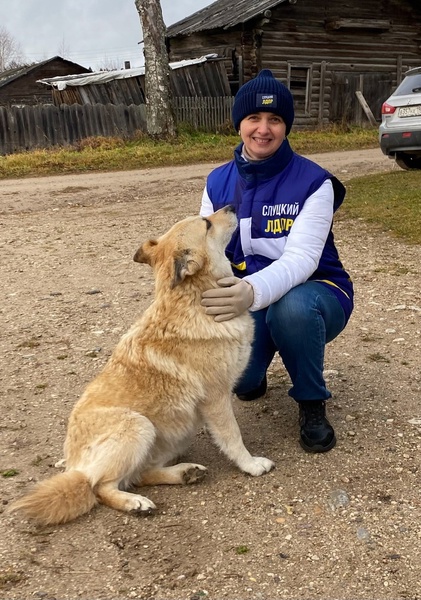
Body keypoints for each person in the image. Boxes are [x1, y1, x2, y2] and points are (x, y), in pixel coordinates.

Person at [200, 69, 354, 453]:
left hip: (316, 292)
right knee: (241, 382)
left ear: (286, 127)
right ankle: (258, 371)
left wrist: (249, 292)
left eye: (275, 120)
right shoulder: (216, 182)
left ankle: (311, 400)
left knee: (292, 309)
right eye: (254, 118)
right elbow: (208, 251)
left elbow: (302, 259)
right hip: (247, 295)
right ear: (239, 124)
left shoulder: (314, 182)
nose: (263, 129)